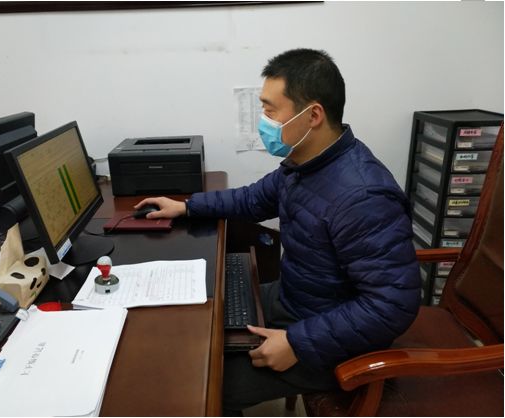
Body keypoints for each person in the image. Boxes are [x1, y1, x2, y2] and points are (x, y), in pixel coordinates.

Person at [134, 48, 421, 414]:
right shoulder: (304, 164)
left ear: (313, 115)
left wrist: (297, 343)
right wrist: (187, 207)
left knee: (203, 383)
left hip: (334, 340)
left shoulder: (363, 196)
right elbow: (253, 199)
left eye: (270, 110)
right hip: (297, 300)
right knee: (198, 323)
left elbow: (391, 305)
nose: (263, 122)